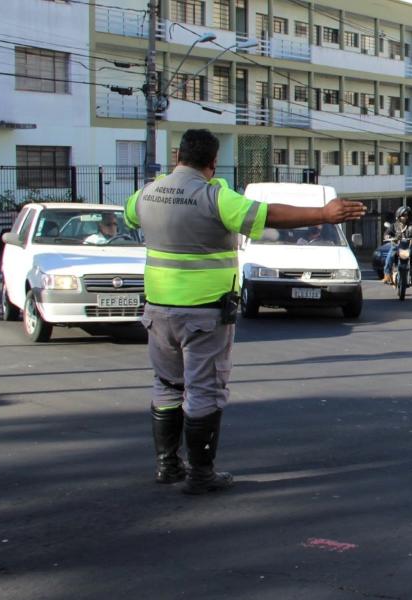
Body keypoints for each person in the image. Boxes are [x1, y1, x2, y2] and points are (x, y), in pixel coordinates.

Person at [124, 129, 365, 495]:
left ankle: (167, 466)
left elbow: (130, 217)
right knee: (204, 390)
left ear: (178, 157)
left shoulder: (147, 193)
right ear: (212, 161)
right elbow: (268, 216)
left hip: (158, 310)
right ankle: (201, 475)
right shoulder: (214, 196)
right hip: (204, 313)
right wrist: (323, 213)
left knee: (167, 386)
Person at [382, 206, 412, 285]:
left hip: (409, 248)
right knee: (390, 256)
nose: (405, 217)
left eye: (407, 215)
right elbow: (387, 233)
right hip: (397, 247)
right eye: (403, 215)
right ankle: (387, 275)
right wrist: (388, 237)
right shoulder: (394, 226)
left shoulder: (411, 226)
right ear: (399, 216)